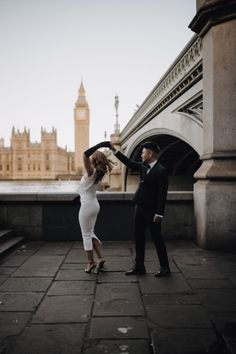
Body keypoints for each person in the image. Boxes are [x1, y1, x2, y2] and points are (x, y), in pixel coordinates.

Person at [108, 141, 170, 277]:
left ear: (150, 154)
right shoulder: (143, 166)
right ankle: (139, 266)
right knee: (138, 237)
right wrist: (114, 150)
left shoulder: (161, 170)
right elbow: (128, 162)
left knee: (157, 238)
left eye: (143, 152)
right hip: (140, 208)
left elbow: (162, 194)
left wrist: (159, 213)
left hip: (152, 211)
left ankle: (165, 267)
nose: (141, 155)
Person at [75, 141, 113, 273]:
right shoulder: (98, 173)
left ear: (94, 160)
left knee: (85, 234)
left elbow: (84, 155)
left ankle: (91, 263)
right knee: (90, 233)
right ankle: (101, 258)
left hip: (87, 206)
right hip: (94, 204)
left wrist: (101, 144)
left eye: (92, 157)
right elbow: (86, 188)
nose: (89, 158)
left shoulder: (92, 171)